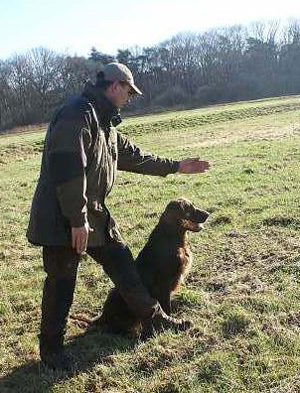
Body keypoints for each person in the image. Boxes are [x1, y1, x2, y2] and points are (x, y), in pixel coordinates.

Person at [26, 62, 210, 370]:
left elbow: (136, 157)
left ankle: (154, 321)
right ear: (114, 86)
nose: (130, 97)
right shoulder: (77, 115)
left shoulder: (105, 125)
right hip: (63, 217)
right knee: (62, 281)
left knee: (125, 265)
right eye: (128, 91)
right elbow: (67, 170)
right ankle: (52, 352)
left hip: (93, 214)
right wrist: (77, 220)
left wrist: (177, 166)